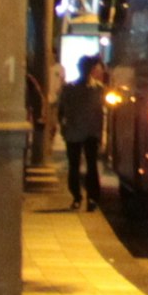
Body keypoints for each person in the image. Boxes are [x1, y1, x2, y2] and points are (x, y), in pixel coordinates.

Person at [57, 56, 107, 208]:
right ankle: (77, 196)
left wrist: (100, 132)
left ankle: (91, 198)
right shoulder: (70, 88)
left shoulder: (98, 89)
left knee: (90, 165)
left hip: (90, 132)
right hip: (75, 131)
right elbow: (61, 111)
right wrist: (63, 127)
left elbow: (101, 112)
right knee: (75, 165)